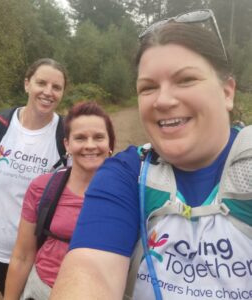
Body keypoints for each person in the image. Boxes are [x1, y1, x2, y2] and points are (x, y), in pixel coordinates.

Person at [50, 9, 252, 300]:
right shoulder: (126, 174)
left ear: (227, 92)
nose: (163, 100)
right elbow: (92, 270)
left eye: (185, 80)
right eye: (148, 87)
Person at [3, 101, 115, 300]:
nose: (90, 145)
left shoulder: (125, 194)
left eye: (98, 137)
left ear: (110, 144)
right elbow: (22, 256)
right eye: (80, 138)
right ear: (67, 145)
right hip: (41, 291)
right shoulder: (42, 188)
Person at [0, 58, 68, 295]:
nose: (48, 92)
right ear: (27, 84)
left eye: (56, 87)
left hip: (42, 255)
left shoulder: (65, 135)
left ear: (62, 93)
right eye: (41, 83)